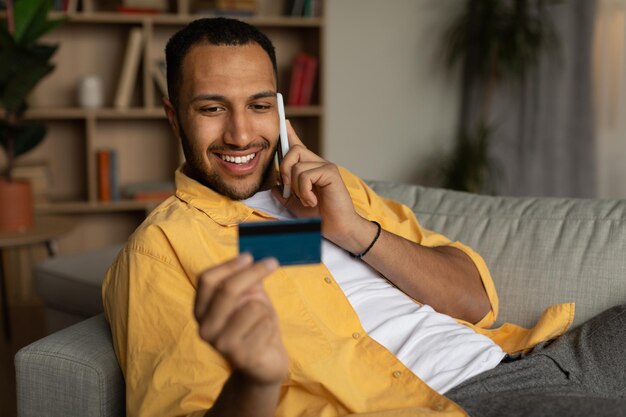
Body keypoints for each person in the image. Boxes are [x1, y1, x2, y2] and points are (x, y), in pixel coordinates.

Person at [102, 17, 626, 417]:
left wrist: (355, 231)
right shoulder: (164, 250)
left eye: (259, 105)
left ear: (281, 112)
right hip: (458, 401)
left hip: (539, 354)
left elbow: (476, 302)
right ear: (175, 116)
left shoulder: (331, 187)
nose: (241, 134)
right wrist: (257, 379)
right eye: (212, 109)